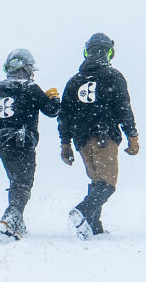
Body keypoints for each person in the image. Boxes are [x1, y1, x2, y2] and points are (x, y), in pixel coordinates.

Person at [57, 33, 140, 239]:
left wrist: (65, 143)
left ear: (87, 52)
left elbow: (64, 115)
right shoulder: (114, 77)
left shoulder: (74, 81)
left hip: (81, 140)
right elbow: (124, 109)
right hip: (105, 138)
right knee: (108, 184)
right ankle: (83, 210)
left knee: (96, 181)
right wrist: (132, 135)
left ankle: (94, 226)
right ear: (109, 52)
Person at [0, 48, 61, 239]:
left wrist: (0, 138)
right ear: (26, 69)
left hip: (3, 144)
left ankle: (17, 224)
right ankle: (10, 218)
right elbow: (51, 111)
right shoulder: (30, 89)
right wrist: (54, 98)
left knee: (15, 182)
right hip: (23, 142)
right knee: (24, 183)